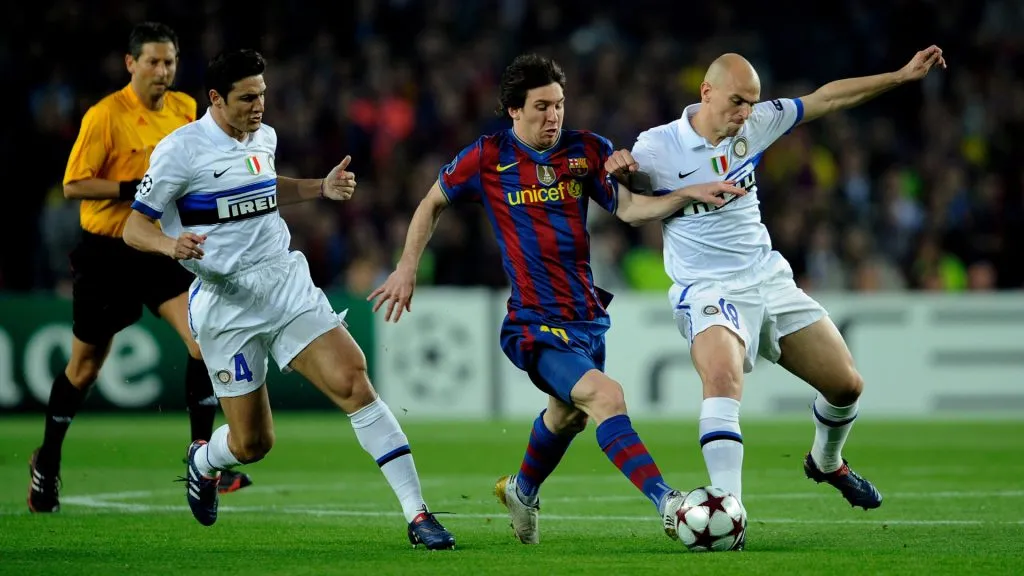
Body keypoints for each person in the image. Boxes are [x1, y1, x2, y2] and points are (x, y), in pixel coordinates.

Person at [368, 53, 744, 545]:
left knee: (567, 417)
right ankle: (669, 503)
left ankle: (522, 490)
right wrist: (407, 266)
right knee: (606, 397)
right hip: (533, 322)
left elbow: (629, 209)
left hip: (586, 318)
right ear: (514, 111)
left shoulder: (587, 150)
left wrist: (688, 193)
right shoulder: (487, 157)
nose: (554, 117)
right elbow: (432, 201)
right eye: (542, 107)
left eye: (560, 105)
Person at [121, 48, 455, 550]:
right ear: (215, 98)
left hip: (282, 282)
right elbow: (133, 226)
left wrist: (319, 187)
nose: (259, 107)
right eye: (247, 98)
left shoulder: (265, 136)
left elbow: (264, 188)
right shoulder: (179, 151)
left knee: (353, 379)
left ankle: (417, 514)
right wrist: (170, 245)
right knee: (253, 444)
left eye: (263, 95)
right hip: (224, 301)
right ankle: (203, 460)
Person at [620, 46, 947, 522]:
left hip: (767, 279)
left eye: (752, 102)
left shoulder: (756, 125)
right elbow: (628, 208)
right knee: (722, 378)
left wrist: (899, 76)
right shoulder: (656, 148)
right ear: (705, 92)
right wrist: (648, 183)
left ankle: (826, 462)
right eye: (736, 101)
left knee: (846, 386)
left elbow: (826, 99)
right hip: (708, 288)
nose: (745, 113)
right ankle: (729, 513)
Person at [28, 22, 252, 514]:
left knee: (200, 340)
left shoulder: (183, 109)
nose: (162, 70)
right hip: (107, 253)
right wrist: (134, 189)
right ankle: (47, 461)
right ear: (130, 64)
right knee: (84, 370)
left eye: (169, 61)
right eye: (152, 61)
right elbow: (73, 185)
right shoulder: (104, 117)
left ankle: (203, 464)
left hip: (158, 247)